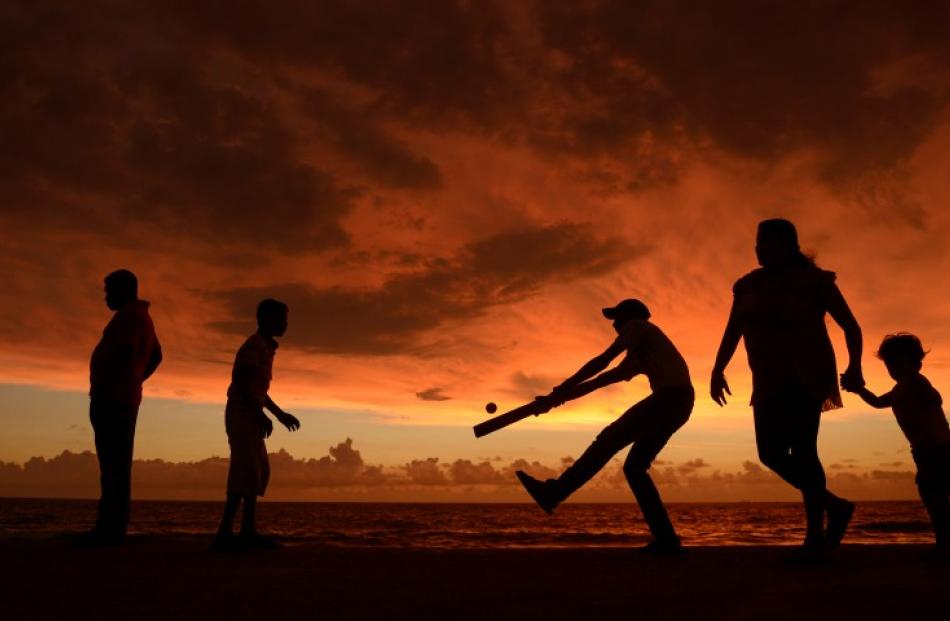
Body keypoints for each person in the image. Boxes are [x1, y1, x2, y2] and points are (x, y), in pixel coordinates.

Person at [711, 218, 862, 561]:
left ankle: (814, 537)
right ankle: (834, 507)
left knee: (805, 450)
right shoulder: (747, 285)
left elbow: (850, 326)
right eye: (757, 242)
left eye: (765, 242)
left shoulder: (814, 281)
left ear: (788, 245)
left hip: (806, 372)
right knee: (769, 453)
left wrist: (855, 365)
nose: (758, 249)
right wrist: (717, 369)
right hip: (765, 376)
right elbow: (732, 329)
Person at [516, 299, 694, 554]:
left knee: (608, 440)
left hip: (670, 399)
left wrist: (559, 391)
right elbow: (603, 379)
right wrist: (557, 399)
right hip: (679, 404)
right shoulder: (641, 351)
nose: (614, 324)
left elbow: (602, 362)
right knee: (634, 468)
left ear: (631, 317)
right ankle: (666, 540)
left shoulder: (638, 327)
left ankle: (554, 492)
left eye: (616, 318)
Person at [843, 333, 950, 559]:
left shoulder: (916, 382)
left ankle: (944, 544)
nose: (891, 368)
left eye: (895, 362)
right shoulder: (900, 388)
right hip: (924, 451)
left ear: (914, 362)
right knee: (933, 497)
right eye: (888, 364)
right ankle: (944, 542)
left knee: (934, 496)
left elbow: (935, 399)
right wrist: (859, 390)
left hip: (938, 449)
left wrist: (927, 398)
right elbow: (878, 402)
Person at [78, 269, 162, 546]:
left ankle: (109, 531)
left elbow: (126, 352)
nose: (105, 296)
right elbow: (156, 355)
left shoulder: (130, 317)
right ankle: (112, 528)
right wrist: (136, 378)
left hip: (114, 400)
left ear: (123, 290)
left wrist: (124, 380)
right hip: (120, 397)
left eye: (108, 290)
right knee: (116, 465)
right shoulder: (140, 317)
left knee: (113, 466)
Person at [212, 299, 300, 551]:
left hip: (249, 411)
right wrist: (259, 414)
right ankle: (231, 534)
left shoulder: (264, 348)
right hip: (242, 413)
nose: (285, 324)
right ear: (267, 319)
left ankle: (240, 531)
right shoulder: (254, 347)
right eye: (282, 318)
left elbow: (258, 389)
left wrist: (278, 414)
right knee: (246, 469)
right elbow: (241, 382)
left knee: (255, 469)